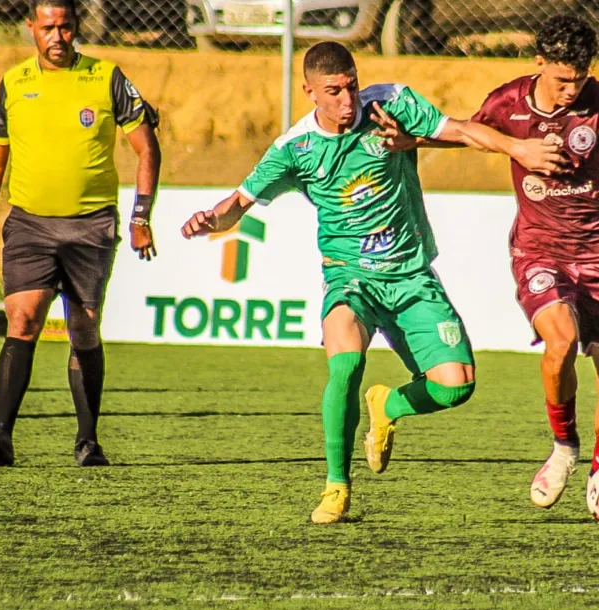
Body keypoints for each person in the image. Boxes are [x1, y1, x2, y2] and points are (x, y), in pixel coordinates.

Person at [180, 41, 564, 524]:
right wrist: (209, 221)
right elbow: (239, 202)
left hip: (410, 276)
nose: (348, 100)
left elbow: (463, 130)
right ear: (309, 92)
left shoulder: (391, 104)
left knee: (455, 388)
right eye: (334, 91)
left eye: (353, 86)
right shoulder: (295, 149)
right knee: (344, 365)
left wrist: (518, 147)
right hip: (350, 279)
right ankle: (337, 486)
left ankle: (387, 405)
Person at [390, 15, 599, 510]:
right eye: (561, 78)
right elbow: (470, 132)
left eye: (580, 78)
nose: (571, 89)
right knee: (562, 340)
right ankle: (563, 448)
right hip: (538, 250)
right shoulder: (511, 101)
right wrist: (412, 139)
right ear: (539, 64)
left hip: (597, 256)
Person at [0, 0, 161, 468]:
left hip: (91, 226)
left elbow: (147, 148)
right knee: (23, 318)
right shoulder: (14, 83)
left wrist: (140, 217)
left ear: (76, 26)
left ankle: (88, 441)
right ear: (31, 27)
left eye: (65, 26)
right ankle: (2, 436)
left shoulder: (106, 77)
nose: (57, 36)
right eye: (47, 27)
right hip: (29, 223)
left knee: (83, 329)